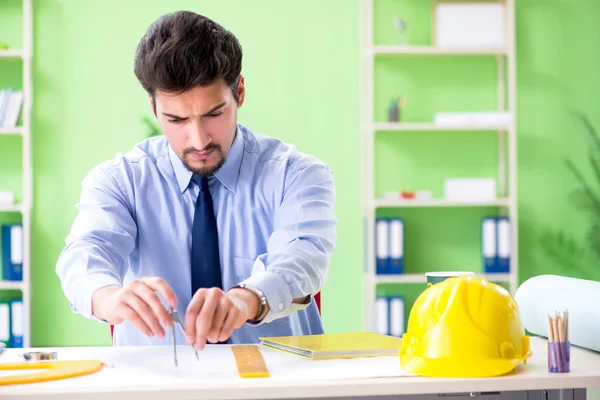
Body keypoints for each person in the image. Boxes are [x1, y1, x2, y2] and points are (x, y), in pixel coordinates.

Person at [55, 10, 337, 349]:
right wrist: (109, 297)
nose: (199, 140)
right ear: (154, 107)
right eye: (176, 119)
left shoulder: (297, 175)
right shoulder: (120, 181)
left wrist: (247, 298)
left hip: (276, 380)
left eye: (214, 114)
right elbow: (86, 253)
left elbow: (302, 257)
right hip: (155, 383)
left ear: (240, 93)